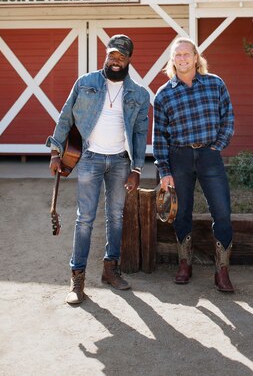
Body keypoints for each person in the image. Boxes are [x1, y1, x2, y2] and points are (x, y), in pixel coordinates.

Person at [47, 34, 149, 305]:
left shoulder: (139, 93)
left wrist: (137, 169)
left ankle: (110, 269)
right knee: (85, 219)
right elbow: (66, 116)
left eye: (122, 57)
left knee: (116, 216)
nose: (116, 61)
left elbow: (140, 133)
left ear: (129, 60)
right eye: (112, 55)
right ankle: (77, 277)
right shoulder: (86, 83)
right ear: (106, 55)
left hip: (120, 161)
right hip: (90, 158)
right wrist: (56, 151)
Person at [153, 37, 235, 292]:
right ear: (172, 60)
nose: (183, 59)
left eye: (187, 54)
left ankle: (222, 271)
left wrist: (217, 146)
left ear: (196, 57)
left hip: (210, 155)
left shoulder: (215, 84)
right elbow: (159, 136)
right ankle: (184, 264)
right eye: (177, 55)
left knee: (222, 212)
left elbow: (228, 118)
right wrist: (165, 171)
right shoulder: (164, 94)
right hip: (180, 157)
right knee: (182, 213)